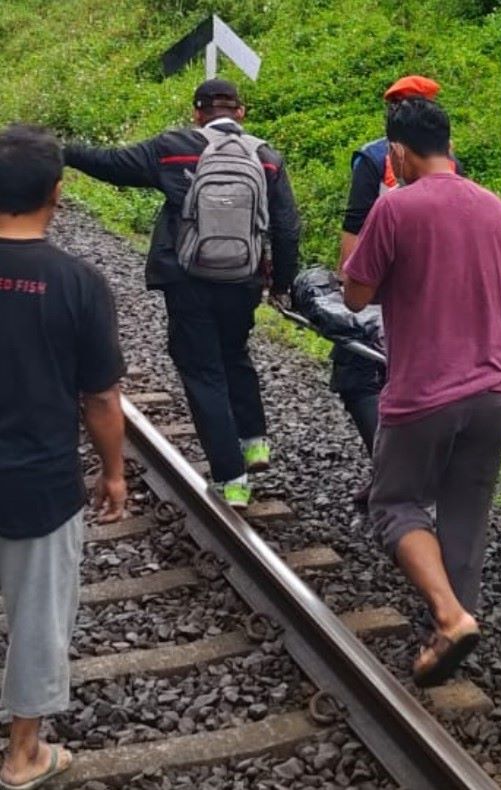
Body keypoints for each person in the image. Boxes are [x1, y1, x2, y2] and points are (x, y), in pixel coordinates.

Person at [342, 98, 501, 687]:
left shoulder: (395, 207)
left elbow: (354, 296)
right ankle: (452, 623)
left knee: (393, 504)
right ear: (449, 143)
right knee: (465, 519)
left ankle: (449, 619)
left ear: (396, 151)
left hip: (423, 392)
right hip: (495, 392)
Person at [64, 79, 301, 509]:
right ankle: (254, 443)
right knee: (235, 353)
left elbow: (112, 163)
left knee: (202, 371)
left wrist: (63, 152)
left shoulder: (173, 148)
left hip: (187, 279)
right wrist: (281, 283)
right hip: (243, 281)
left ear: (197, 112)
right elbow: (287, 227)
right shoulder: (266, 157)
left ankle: (231, 479)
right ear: (241, 113)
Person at [0, 124, 126, 789]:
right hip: (41, 483)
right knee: (39, 618)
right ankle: (22, 755)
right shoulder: (78, 283)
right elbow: (101, 400)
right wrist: (113, 472)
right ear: (56, 192)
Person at [335, 75, 463, 506]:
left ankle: (393, 475)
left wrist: (348, 284)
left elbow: (354, 226)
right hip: (442, 292)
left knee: (356, 374)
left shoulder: (373, 157)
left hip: (382, 290)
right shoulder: (452, 163)